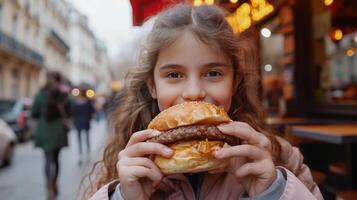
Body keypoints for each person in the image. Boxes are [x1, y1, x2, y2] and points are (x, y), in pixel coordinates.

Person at [85, 4, 323, 200]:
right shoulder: (115, 170)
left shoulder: (281, 157)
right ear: (152, 86)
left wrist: (274, 192)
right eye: (174, 75)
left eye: (213, 73)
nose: (194, 92)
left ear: (235, 81)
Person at [31, 71, 71, 199]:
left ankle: (48, 184)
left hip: (44, 129)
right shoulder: (64, 95)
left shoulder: (40, 94)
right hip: (58, 130)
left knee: (47, 159)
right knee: (56, 159)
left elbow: (34, 112)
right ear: (59, 80)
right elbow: (71, 109)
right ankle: (54, 183)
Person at [71, 89, 95, 164]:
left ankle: (81, 154)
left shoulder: (75, 103)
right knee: (86, 138)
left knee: (79, 138)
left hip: (78, 122)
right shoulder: (88, 102)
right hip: (85, 121)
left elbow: (73, 113)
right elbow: (92, 111)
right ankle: (87, 153)